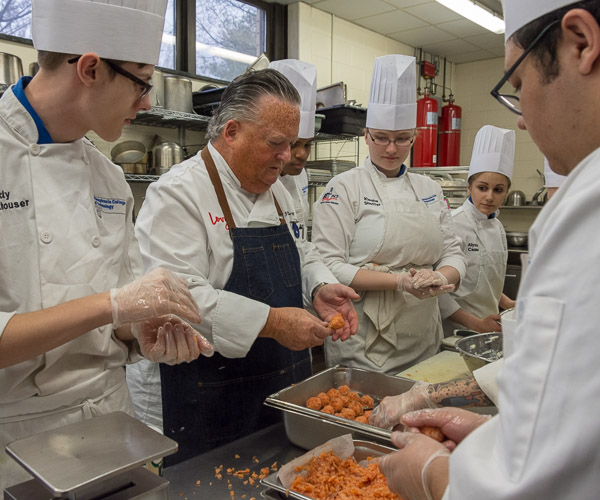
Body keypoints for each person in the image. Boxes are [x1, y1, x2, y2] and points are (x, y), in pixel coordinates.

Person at [378, 1, 600, 498]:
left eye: (518, 88)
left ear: (582, 43)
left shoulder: (592, 211)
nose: (522, 122)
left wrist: (435, 472)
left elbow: (546, 477)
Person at [0, 0, 214, 490]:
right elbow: (110, 302)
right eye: (141, 82)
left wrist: (141, 333)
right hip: (16, 445)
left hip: (110, 426)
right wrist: (113, 305)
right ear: (91, 69)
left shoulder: (110, 178)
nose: (146, 102)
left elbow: (119, 316)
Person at [134, 68, 359, 465]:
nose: (287, 158)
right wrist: (271, 323)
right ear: (232, 132)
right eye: (276, 143)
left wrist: (319, 286)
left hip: (281, 386)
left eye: (292, 144)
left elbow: (299, 249)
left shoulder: (278, 187)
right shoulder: (177, 193)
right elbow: (178, 298)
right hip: (210, 395)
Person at [311, 54, 466, 375]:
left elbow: (453, 252)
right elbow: (330, 266)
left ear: (414, 137)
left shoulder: (429, 188)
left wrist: (440, 276)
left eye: (401, 139)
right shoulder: (344, 187)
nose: (391, 149)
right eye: (381, 138)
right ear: (366, 135)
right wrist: (400, 282)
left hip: (423, 335)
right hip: (364, 340)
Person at [439, 125, 517, 336]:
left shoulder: (498, 228)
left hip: (489, 329)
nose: (490, 197)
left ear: (506, 193)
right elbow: (438, 292)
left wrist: (509, 303)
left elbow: (484, 280)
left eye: (498, 190)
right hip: (454, 332)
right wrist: (475, 323)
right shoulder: (453, 224)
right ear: (469, 188)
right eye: (482, 188)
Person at [269, 59, 316, 234]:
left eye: (308, 144)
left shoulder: (300, 174)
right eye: (294, 144)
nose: (302, 155)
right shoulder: (260, 178)